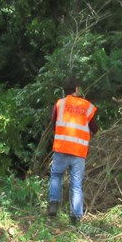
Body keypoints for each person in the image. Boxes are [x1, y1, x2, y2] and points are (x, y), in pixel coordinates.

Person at [47, 77, 98, 225]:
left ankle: (53, 205)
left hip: (62, 147)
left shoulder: (59, 104)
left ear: (65, 90)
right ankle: (75, 216)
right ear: (76, 89)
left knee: (56, 176)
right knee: (76, 184)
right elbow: (95, 128)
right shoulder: (86, 106)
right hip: (78, 151)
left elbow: (53, 123)